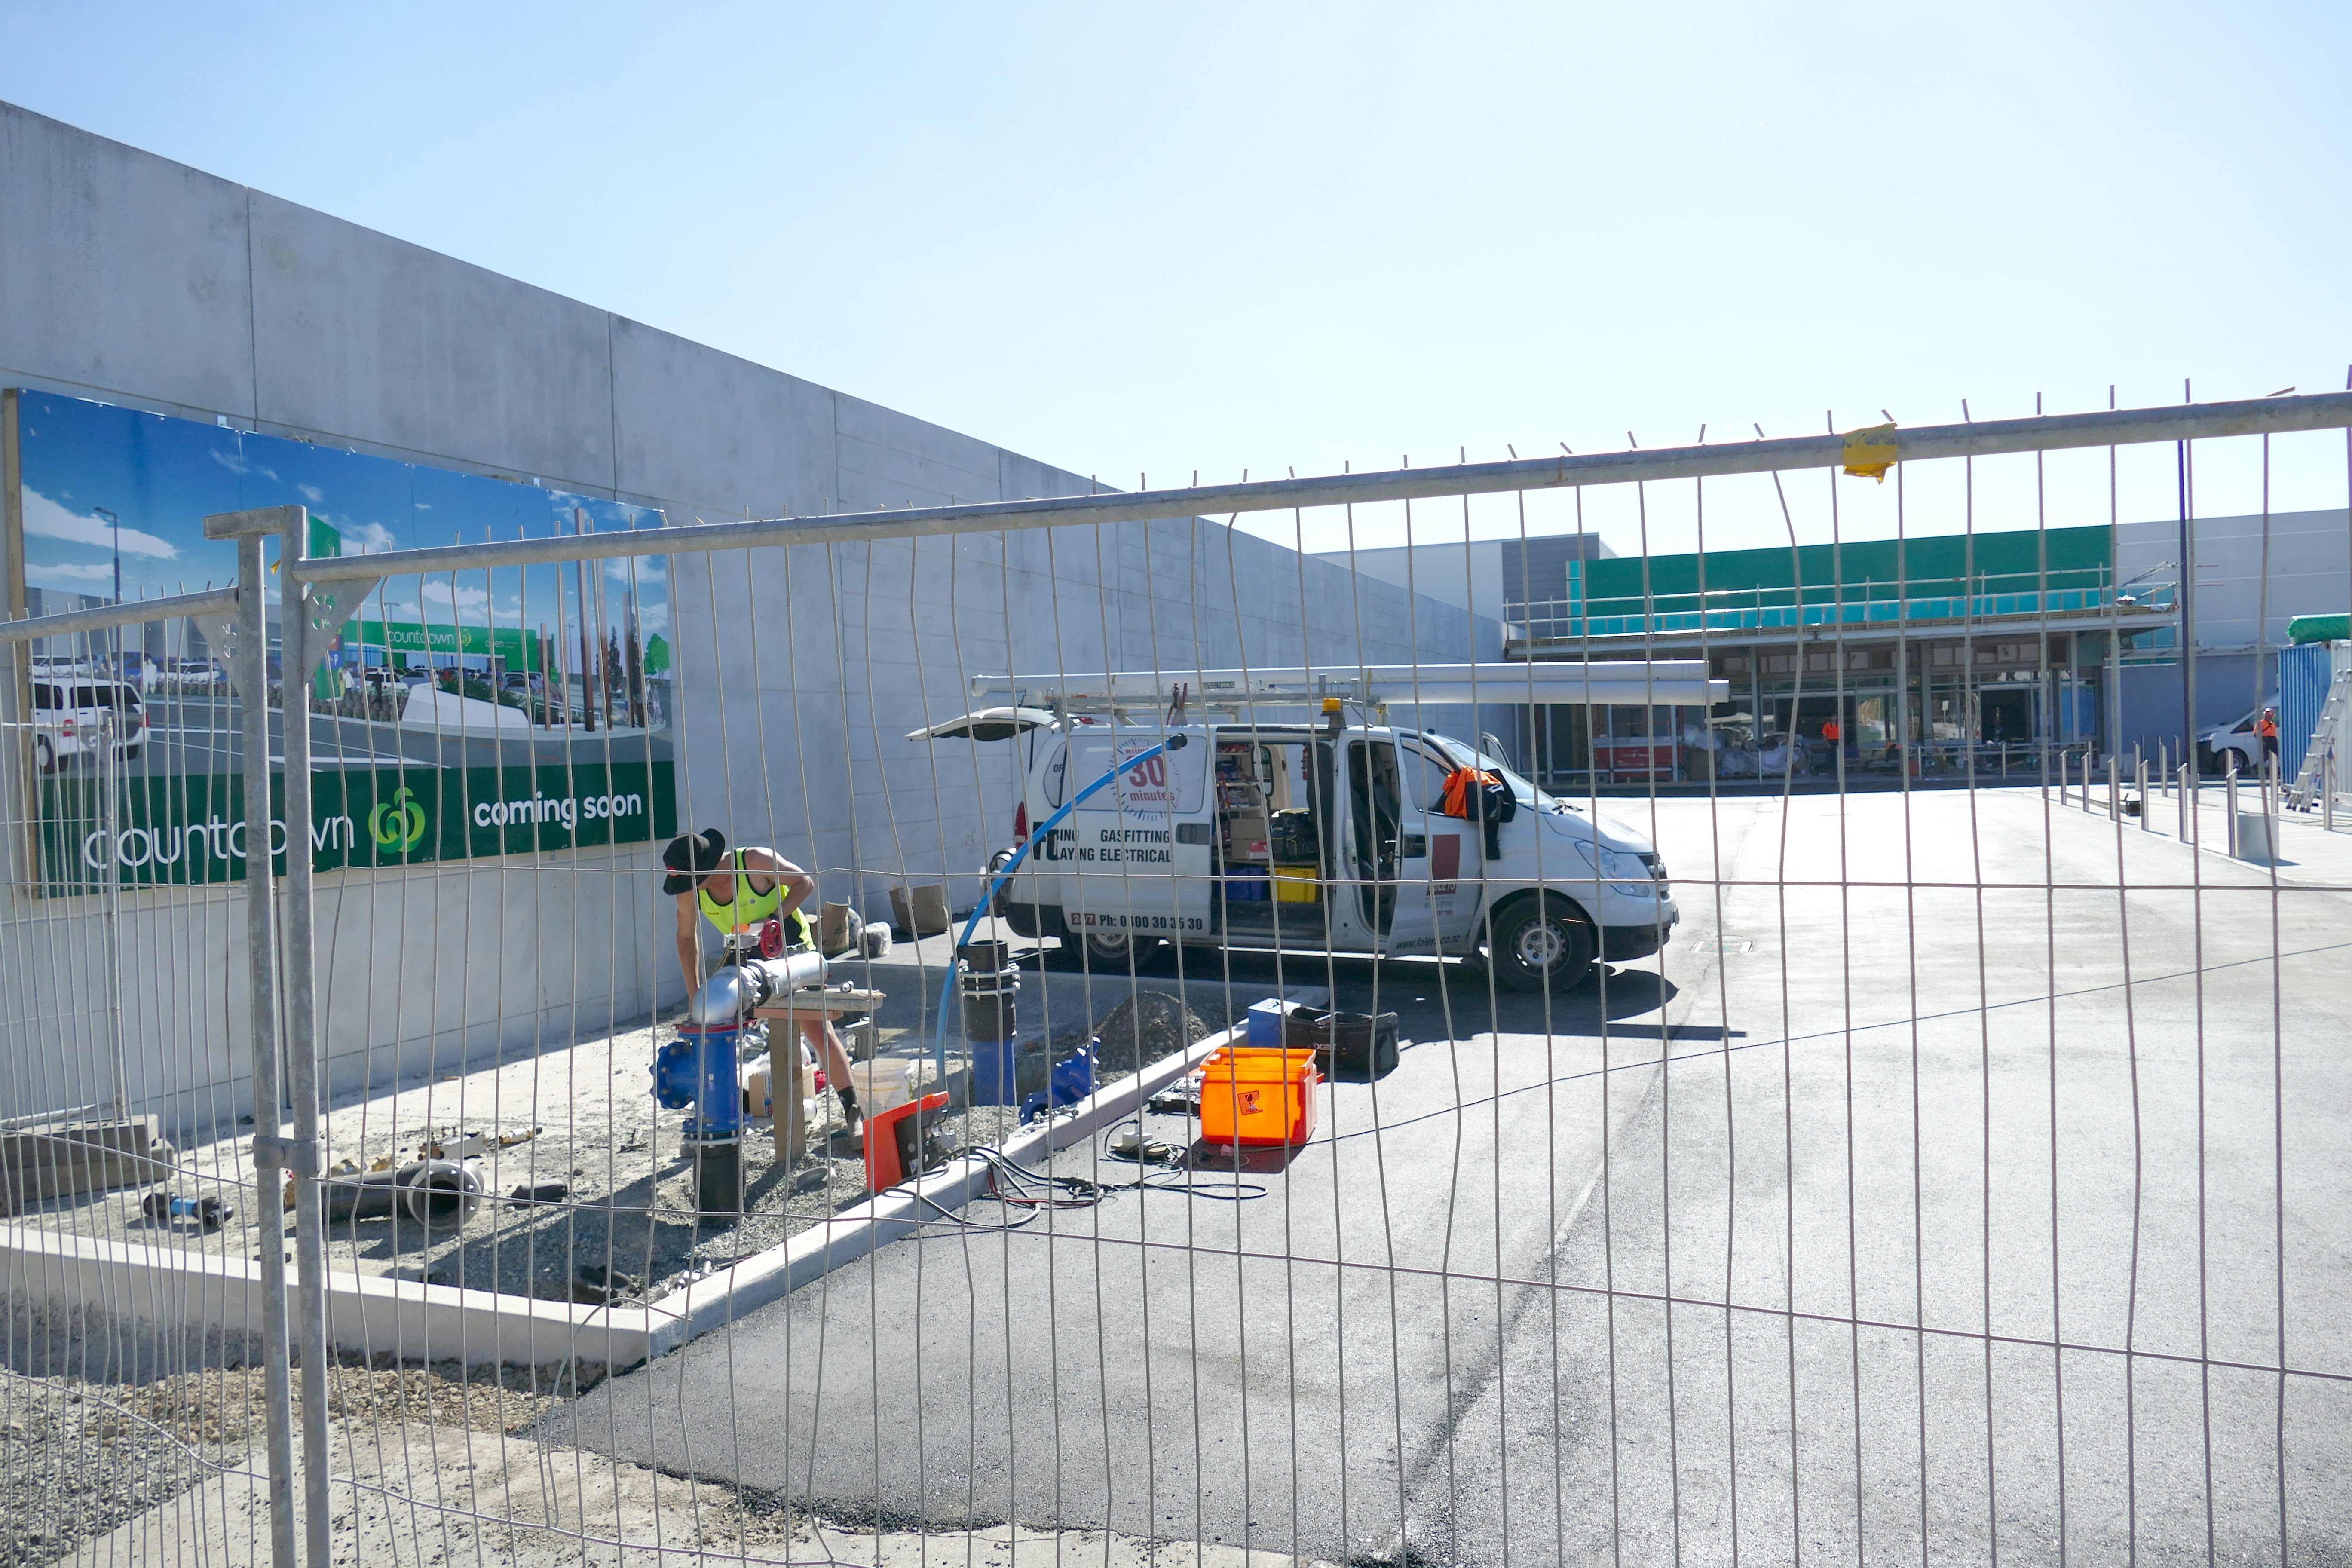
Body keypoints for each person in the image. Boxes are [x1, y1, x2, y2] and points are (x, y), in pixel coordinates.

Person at [663, 828, 861, 1137]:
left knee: (816, 1028)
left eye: (689, 880)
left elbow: (804, 883)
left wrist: (773, 918)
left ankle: (853, 1110)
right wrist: (694, 992)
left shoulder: (753, 862)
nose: (685, 888)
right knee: (714, 1018)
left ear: (708, 866)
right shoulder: (690, 889)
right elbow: (686, 937)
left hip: (789, 945)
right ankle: (723, 1109)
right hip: (744, 952)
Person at [2258, 707, 2280, 772]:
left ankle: (2273, 770)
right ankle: (2256, 768)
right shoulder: (2261, 723)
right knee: (2265, 756)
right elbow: (2256, 734)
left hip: (2273, 740)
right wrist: (2261, 741)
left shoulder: (2272, 723)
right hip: (2265, 740)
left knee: (2275, 756)